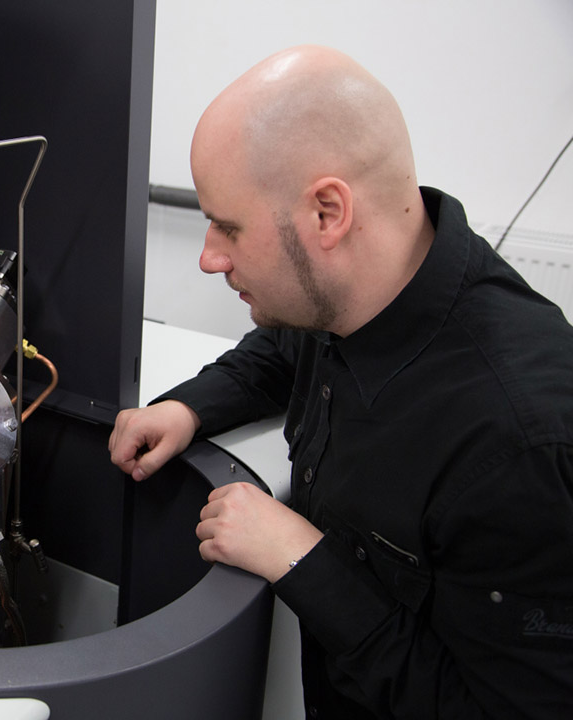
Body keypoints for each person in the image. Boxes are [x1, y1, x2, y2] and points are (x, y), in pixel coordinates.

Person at [109, 45, 573, 719]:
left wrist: (304, 559)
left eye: (228, 227)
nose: (208, 257)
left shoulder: (518, 444)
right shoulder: (360, 288)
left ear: (328, 213)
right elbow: (285, 346)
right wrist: (189, 407)